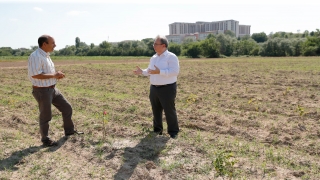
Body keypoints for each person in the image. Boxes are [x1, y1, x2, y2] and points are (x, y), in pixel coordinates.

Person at [28, 35, 83, 147]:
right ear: (44, 44)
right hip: (42, 91)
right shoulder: (36, 56)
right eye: (53, 43)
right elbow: (35, 75)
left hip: (52, 89)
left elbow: (46, 72)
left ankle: (69, 131)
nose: (55, 45)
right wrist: (54, 75)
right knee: (46, 115)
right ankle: (45, 139)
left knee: (67, 108)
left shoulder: (46, 55)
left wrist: (56, 75)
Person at [133, 35, 180, 139]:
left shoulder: (171, 57)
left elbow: (175, 72)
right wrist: (142, 72)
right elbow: (150, 71)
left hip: (167, 88)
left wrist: (160, 72)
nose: (153, 46)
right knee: (156, 110)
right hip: (154, 88)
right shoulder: (154, 57)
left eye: (155, 44)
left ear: (163, 45)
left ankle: (173, 132)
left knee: (169, 110)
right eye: (153, 44)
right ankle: (157, 130)